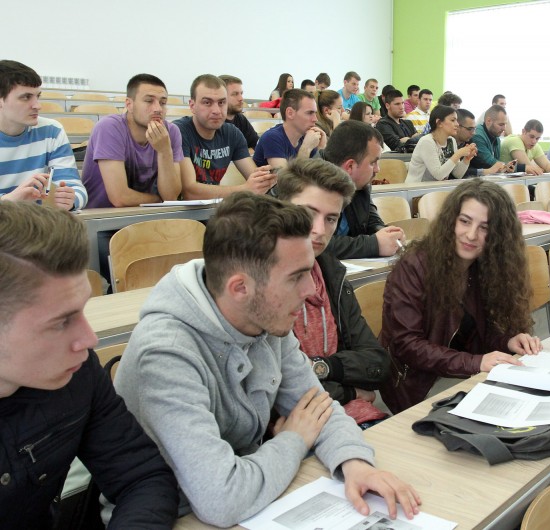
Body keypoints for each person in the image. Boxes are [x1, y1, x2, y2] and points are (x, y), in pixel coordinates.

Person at [113, 192, 421, 527]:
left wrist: (355, 463)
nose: (311, 291)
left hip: (255, 500)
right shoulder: (166, 355)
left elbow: (319, 410)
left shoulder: (265, 317)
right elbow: (222, 498)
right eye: (295, 276)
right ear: (240, 288)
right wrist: (294, 440)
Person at [0, 201, 178, 528]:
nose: (89, 338)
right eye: (61, 322)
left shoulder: (76, 375)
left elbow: (141, 478)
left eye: (83, 309)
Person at [379, 179, 543, 413]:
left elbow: (478, 334)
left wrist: (507, 340)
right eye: (465, 221)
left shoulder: (486, 266)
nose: (471, 235)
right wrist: (475, 363)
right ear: (451, 221)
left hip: (460, 372)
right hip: (417, 384)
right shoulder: (414, 266)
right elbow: (407, 345)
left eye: (484, 228)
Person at [275, 159, 389, 427]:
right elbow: (279, 391)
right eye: (307, 213)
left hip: (356, 417)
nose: (319, 230)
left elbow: (378, 362)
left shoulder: (330, 272)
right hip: (295, 428)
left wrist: (322, 367)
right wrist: (349, 391)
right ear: (280, 210)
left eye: (331, 219)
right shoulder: (262, 281)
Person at [81, 73, 182, 208]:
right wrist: (159, 200)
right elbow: (120, 198)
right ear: (129, 104)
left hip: (149, 217)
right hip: (103, 221)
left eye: (163, 103)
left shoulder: (171, 132)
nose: (158, 108)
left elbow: (171, 196)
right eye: (149, 101)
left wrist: (164, 151)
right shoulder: (109, 127)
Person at [0, 60, 87, 210]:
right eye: (26, 97)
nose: (37, 105)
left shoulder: (51, 131)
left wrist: (70, 200)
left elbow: (77, 189)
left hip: (37, 224)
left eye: (37, 96)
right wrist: (10, 201)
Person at [174, 74, 276, 199]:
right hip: (178, 214)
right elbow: (190, 191)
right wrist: (244, 189)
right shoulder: (179, 131)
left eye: (222, 102)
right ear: (192, 106)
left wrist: (266, 179)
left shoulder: (232, 133)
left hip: (214, 210)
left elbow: (254, 178)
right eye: (207, 102)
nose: (216, 110)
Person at [323, 120, 405, 259]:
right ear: (350, 166)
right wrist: (373, 244)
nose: (377, 169)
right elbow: (315, 243)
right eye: (373, 162)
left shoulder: (359, 184)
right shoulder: (309, 188)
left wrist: (385, 233)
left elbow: (370, 219)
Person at [254, 88, 326, 170]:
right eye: (309, 113)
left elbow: (320, 176)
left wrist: (321, 149)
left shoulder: (306, 137)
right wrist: (306, 148)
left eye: (315, 113)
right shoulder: (271, 138)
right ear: (290, 113)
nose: (315, 119)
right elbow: (286, 181)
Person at [406, 105, 475, 183]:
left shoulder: (451, 141)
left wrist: (467, 159)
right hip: (416, 190)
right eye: (453, 120)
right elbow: (438, 175)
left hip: (437, 188)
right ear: (439, 123)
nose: (457, 124)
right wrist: (459, 154)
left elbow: (457, 174)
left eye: (457, 120)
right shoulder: (427, 141)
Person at [456, 108, 505, 177]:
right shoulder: (476, 137)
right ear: (457, 126)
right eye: (469, 129)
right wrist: (487, 171)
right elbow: (454, 173)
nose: (473, 133)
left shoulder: (468, 141)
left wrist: (504, 167)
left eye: (474, 128)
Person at [470, 104, 515, 174]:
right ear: (488, 121)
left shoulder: (496, 138)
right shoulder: (477, 135)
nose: (504, 129)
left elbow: (497, 164)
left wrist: (507, 167)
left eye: (505, 124)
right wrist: (507, 166)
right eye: (501, 124)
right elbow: (490, 162)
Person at [219, 74, 259, 149]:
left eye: (241, 93)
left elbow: (257, 145)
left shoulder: (241, 119)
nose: (241, 98)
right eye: (235, 94)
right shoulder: (213, 121)